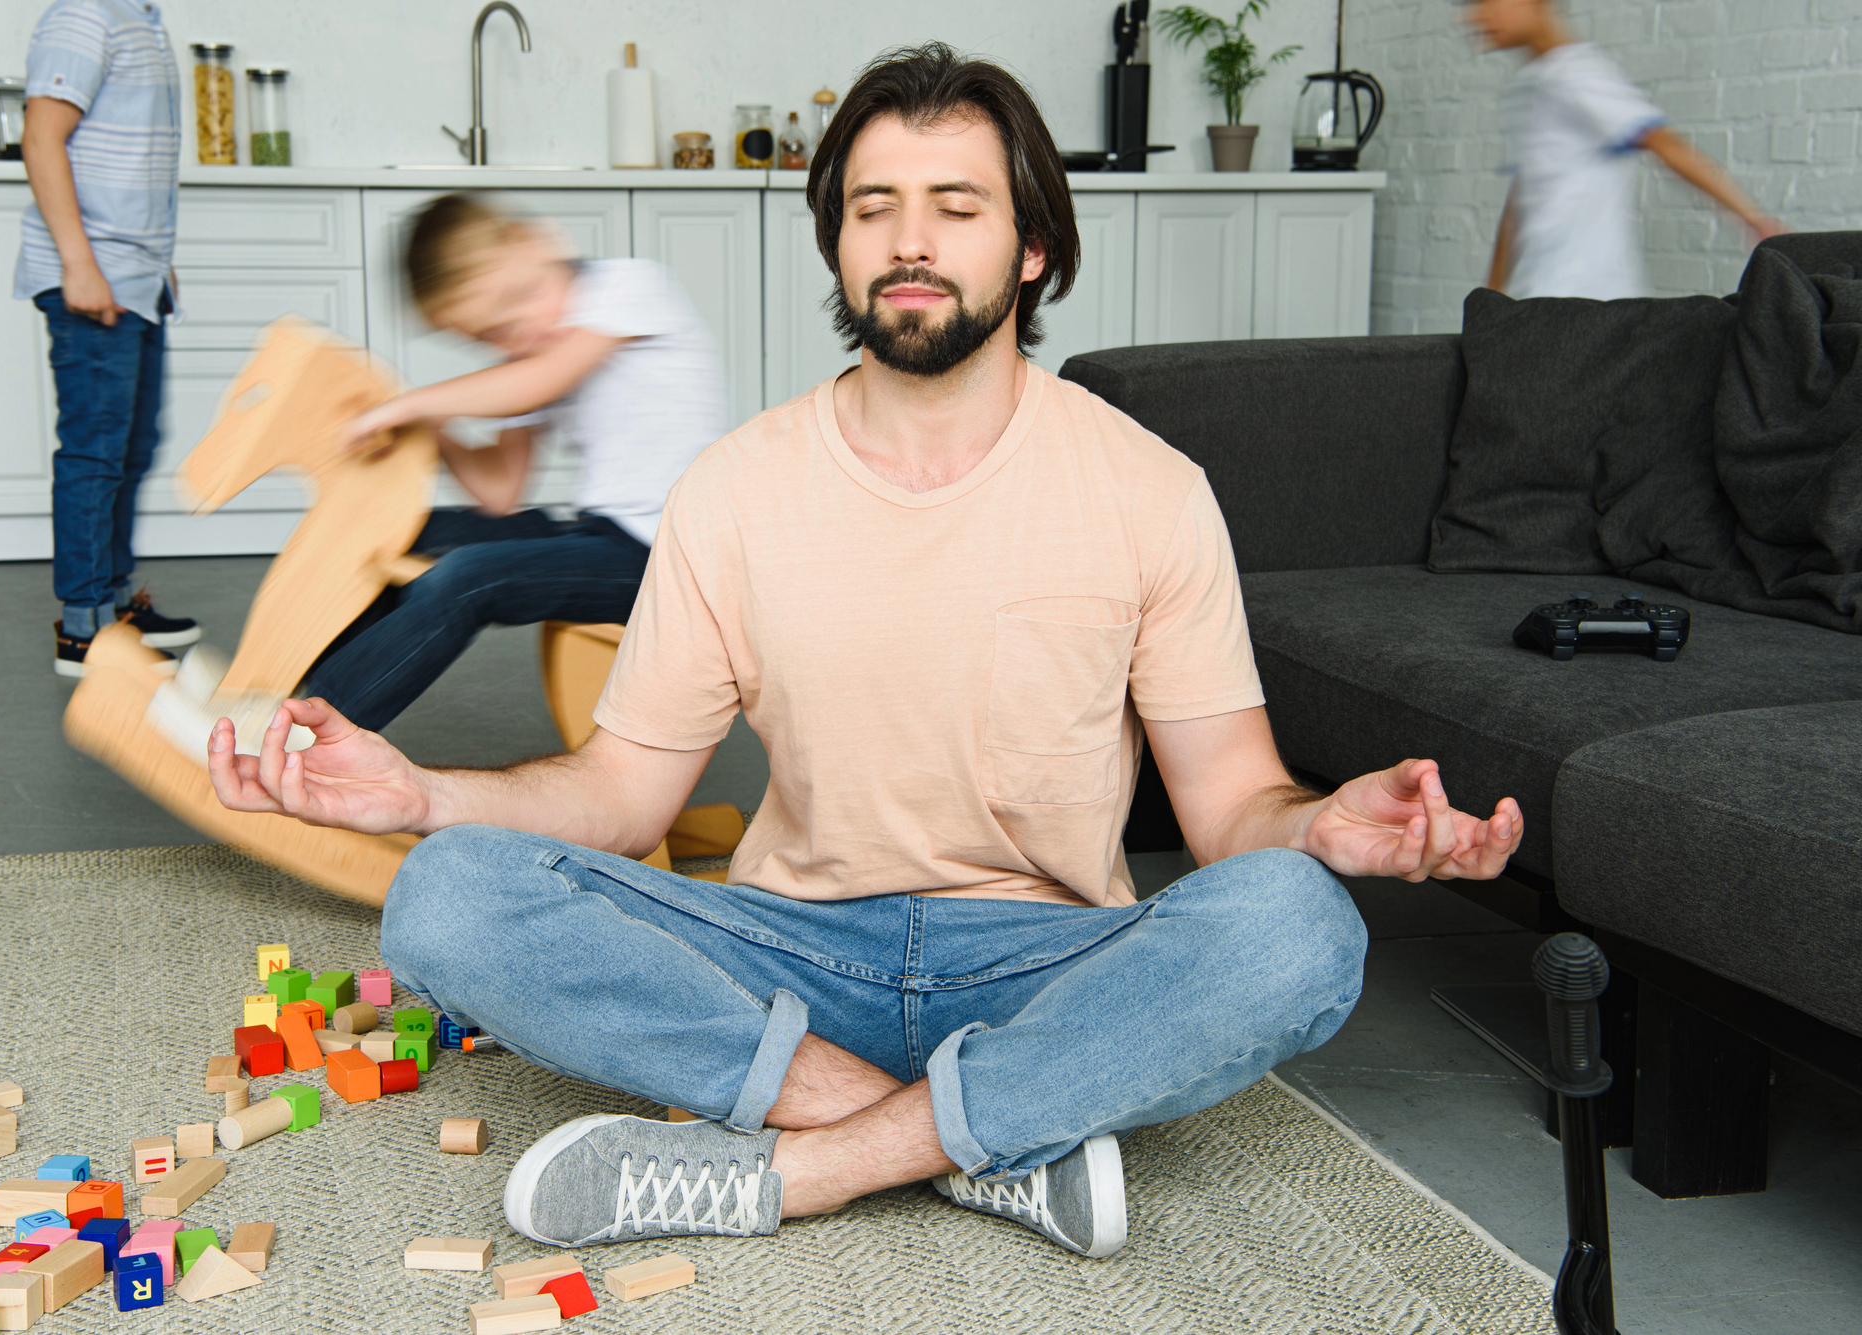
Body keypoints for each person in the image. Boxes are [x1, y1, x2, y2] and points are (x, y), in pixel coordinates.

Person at [209, 43, 1524, 1261]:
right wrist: (419, 792)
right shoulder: (732, 489)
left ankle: (795, 1168)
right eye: (872, 205)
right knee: (442, 893)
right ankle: (984, 1137)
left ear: (1031, 249)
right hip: (792, 947)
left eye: (956, 205)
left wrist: (1319, 829)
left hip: (1043, 957)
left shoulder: (1151, 489)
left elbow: (1236, 808)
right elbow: (616, 798)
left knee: (1299, 926)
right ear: (837, 245)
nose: (908, 239)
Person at [297, 194, 727, 732]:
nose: (518, 335)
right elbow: (499, 491)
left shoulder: (629, 287)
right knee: (397, 530)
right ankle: (292, 688)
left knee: (469, 578)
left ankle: (307, 732)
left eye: (521, 298)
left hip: (669, 561)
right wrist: (433, 426)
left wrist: (410, 403)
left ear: (541, 241)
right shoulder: (535, 351)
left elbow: (536, 384)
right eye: (489, 336)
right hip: (598, 536)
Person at [18, 0, 201, 676]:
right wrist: (78, 262)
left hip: (134, 276)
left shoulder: (140, 18)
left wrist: (156, 262)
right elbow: (42, 138)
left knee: (134, 446)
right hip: (93, 274)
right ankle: (83, 626)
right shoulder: (84, 14)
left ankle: (117, 606)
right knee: (96, 450)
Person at [1466, 0, 1785, 299]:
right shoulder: (1530, 85)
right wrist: (1494, 293)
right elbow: (1521, 198)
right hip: (1538, 292)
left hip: (1588, 296)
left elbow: (1664, 145)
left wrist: (1752, 218)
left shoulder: (1578, 74)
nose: (1475, 15)